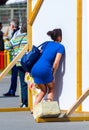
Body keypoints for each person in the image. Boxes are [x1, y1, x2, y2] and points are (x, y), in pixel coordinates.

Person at [31, 28, 65, 106]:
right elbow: (56, 63)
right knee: (51, 88)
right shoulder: (60, 47)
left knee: (43, 90)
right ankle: (49, 108)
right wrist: (53, 74)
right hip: (44, 69)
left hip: (35, 69)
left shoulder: (46, 44)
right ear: (59, 37)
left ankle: (34, 108)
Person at [5, 19, 28, 107]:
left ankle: (24, 103)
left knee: (23, 83)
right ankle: (30, 101)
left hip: (18, 62)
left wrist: (13, 52)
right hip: (28, 62)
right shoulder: (29, 37)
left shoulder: (17, 36)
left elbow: (8, 47)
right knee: (31, 82)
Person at [3, 19, 19, 96]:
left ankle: (12, 91)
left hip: (16, 57)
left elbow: (10, 45)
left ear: (12, 26)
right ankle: (12, 90)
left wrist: (6, 38)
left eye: (9, 25)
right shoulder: (16, 32)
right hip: (17, 56)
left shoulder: (15, 33)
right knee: (15, 75)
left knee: (14, 75)